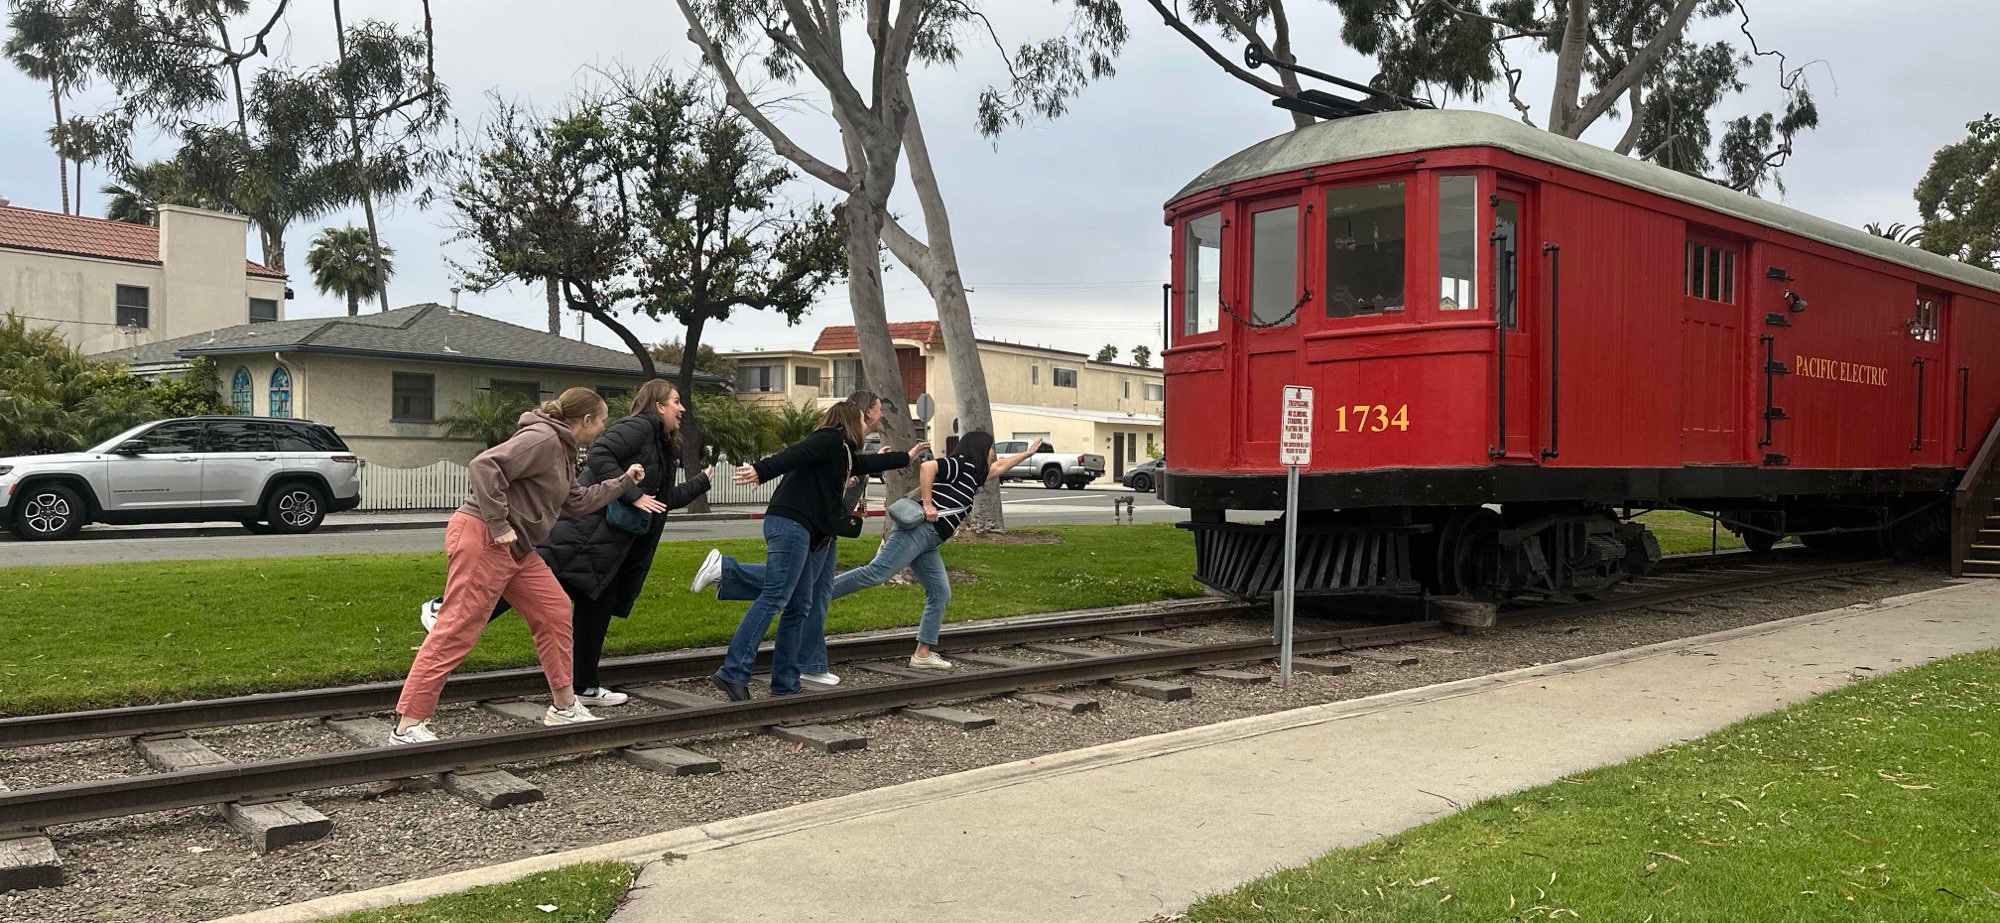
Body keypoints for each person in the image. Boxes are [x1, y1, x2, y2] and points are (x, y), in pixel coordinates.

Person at [391, 388, 643, 744]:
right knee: (457, 629)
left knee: (554, 610)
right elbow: (484, 465)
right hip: (485, 538)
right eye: (602, 421)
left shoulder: (563, 450)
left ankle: (564, 708)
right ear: (586, 420)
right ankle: (408, 726)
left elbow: (576, 501)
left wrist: (623, 483)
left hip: (518, 549)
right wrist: (498, 523)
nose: (603, 428)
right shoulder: (542, 438)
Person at [705, 402, 916, 701]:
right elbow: (795, 454)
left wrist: (906, 457)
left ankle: (785, 683)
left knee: (799, 605)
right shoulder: (829, 438)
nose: (865, 423)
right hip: (790, 524)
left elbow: (867, 464)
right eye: (861, 418)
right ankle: (732, 672)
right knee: (775, 596)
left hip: (804, 531)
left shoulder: (841, 453)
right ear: (848, 420)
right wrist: (760, 470)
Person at [822, 433, 1039, 668]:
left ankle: (922, 654)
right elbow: (928, 466)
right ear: (979, 448)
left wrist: (1026, 454)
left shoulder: (974, 475)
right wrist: (927, 503)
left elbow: (1000, 466)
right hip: (918, 531)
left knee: (940, 593)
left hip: (929, 541)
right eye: (990, 448)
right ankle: (815, 596)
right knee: (876, 573)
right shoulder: (961, 464)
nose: (993, 453)